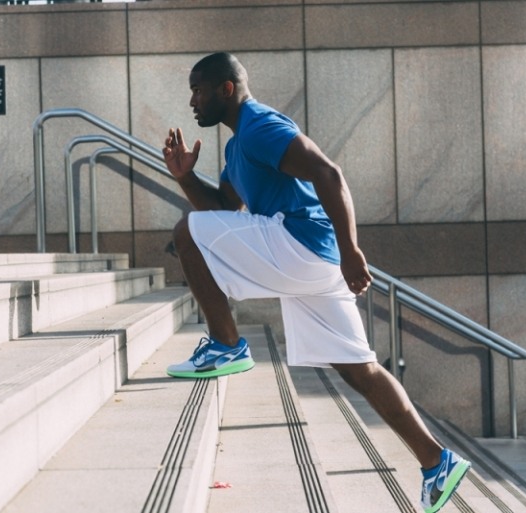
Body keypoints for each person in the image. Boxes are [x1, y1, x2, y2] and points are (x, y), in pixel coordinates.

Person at [162, 52, 470, 513]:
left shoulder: (260, 125)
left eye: (199, 89)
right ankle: (436, 460)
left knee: (186, 233)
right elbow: (224, 209)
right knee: (357, 368)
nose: (192, 100)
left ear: (227, 89)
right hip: (313, 259)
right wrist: (186, 178)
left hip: (303, 243)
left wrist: (352, 251)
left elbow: (329, 173)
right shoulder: (236, 147)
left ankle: (226, 344)